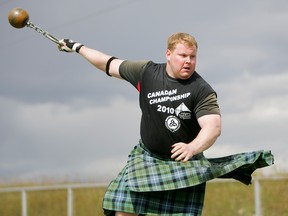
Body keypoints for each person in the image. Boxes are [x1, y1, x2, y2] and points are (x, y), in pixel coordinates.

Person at [58, 33, 273, 216]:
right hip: (146, 157)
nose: (188, 61)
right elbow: (108, 63)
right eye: (183, 56)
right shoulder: (146, 72)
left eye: (192, 57)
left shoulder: (200, 89)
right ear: (168, 54)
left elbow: (213, 127)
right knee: (121, 206)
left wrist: (192, 147)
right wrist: (78, 48)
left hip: (184, 163)